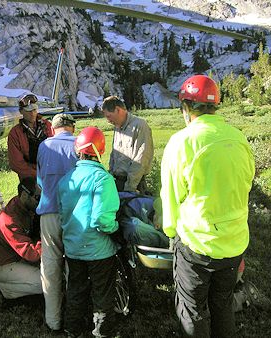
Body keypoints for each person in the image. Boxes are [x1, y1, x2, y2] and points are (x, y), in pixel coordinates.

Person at [160, 75, 255, 337]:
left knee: (192, 310)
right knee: (222, 304)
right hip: (234, 241)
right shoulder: (239, 139)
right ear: (216, 106)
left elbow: (170, 196)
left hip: (197, 245)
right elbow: (246, 182)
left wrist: (171, 234)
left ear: (186, 107)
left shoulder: (182, 142)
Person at [58, 127, 120, 338]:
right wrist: (116, 230)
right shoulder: (103, 179)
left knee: (75, 288)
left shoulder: (66, 179)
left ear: (78, 151)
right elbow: (102, 220)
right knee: (102, 292)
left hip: (73, 248)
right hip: (99, 250)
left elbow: (62, 214)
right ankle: (101, 331)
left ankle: (72, 329)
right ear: (100, 150)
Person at [36, 113, 78, 331]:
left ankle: (53, 320)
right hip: (75, 214)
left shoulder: (44, 146)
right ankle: (73, 317)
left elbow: (40, 181)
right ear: (72, 127)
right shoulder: (81, 145)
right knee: (74, 265)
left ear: (53, 129)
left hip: (49, 211)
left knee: (50, 265)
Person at [0, 177, 43, 305]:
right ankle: (2, 289)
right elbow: (31, 254)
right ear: (25, 195)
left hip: (15, 257)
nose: (41, 202)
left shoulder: (24, 207)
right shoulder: (10, 220)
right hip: (1, 265)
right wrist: (48, 241)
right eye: (38, 198)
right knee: (44, 283)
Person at [102, 96, 154, 193]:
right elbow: (114, 155)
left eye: (109, 116)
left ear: (118, 110)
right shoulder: (117, 127)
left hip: (134, 185)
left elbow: (141, 159)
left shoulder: (139, 125)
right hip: (117, 183)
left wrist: (129, 189)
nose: (108, 121)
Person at [8, 93, 54, 179]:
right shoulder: (15, 133)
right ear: (21, 111)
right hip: (28, 177)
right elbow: (16, 163)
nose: (32, 113)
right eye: (28, 111)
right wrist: (37, 174)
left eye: (34, 110)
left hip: (50, 173)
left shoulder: (48, 126)